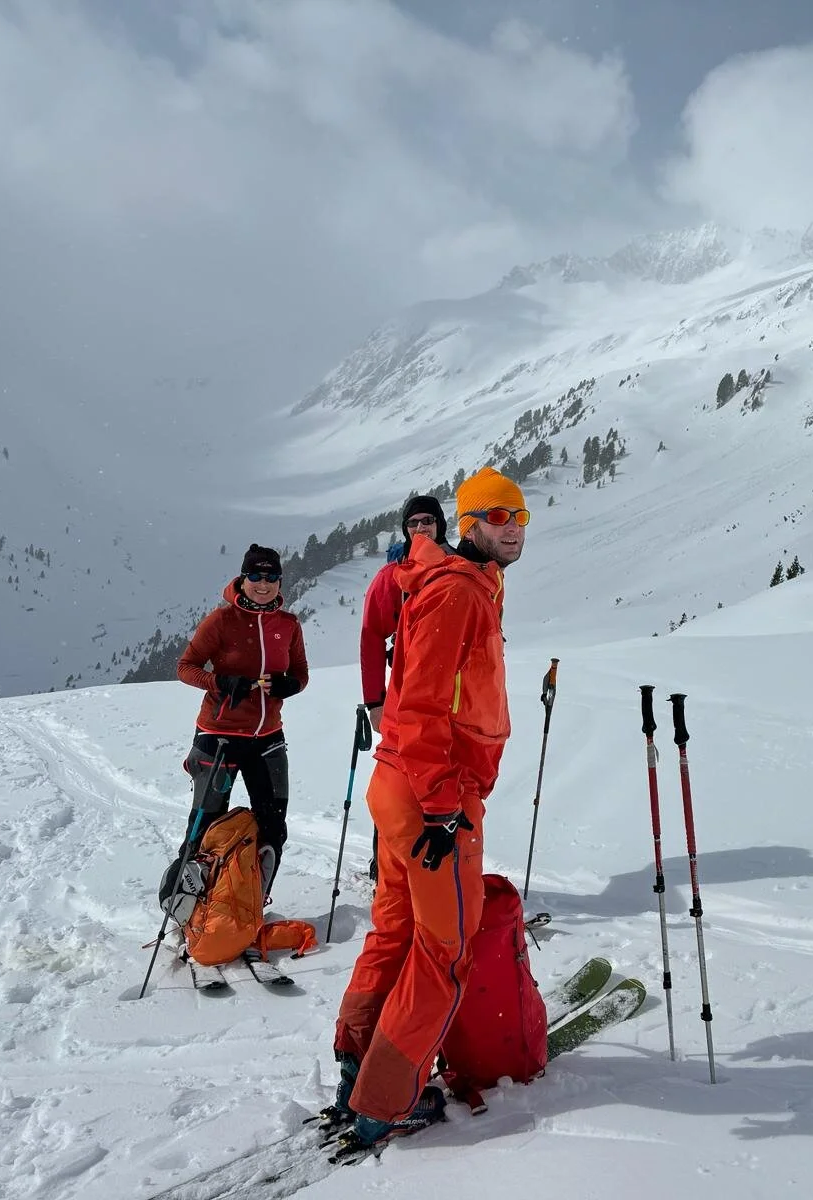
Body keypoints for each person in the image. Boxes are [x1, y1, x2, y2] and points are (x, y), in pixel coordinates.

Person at [330, 467, 530, 1148]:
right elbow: (418, 706)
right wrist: (445, 809)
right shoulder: (456, 594)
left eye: (521, 517)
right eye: (499, 515)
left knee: (394, 934)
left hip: (400, 787)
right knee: (445, 951)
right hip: (431, 799)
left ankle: (357, 1064)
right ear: (468, 521)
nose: (514, 528)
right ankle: (386, 1099)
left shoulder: (467, 586)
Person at [175, 544, 308, 905]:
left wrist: (288, 686)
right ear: (243, 578)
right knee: (205, 825)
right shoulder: (220, 621)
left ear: (280, 582)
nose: (263, 584)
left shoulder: (288, 625)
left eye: (271, 577)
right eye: (255, 576)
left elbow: (300, 674)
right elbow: (186, 667)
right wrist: (220, 682)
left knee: (273, 827)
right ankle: (191, 907)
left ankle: (250, 904)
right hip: (218, 737)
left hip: (268, 739)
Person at [358, 494, 450, 880]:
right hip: (401, 697)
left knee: (444, 775)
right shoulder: (392, 576)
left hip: (448, 695)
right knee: (397, 778)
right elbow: (370, 637)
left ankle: (443, 864)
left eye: (427, 521)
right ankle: (387, 865)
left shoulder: (456, 567)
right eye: (413, 523)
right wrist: (374, 701)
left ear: (440, 524)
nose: (420, 529)